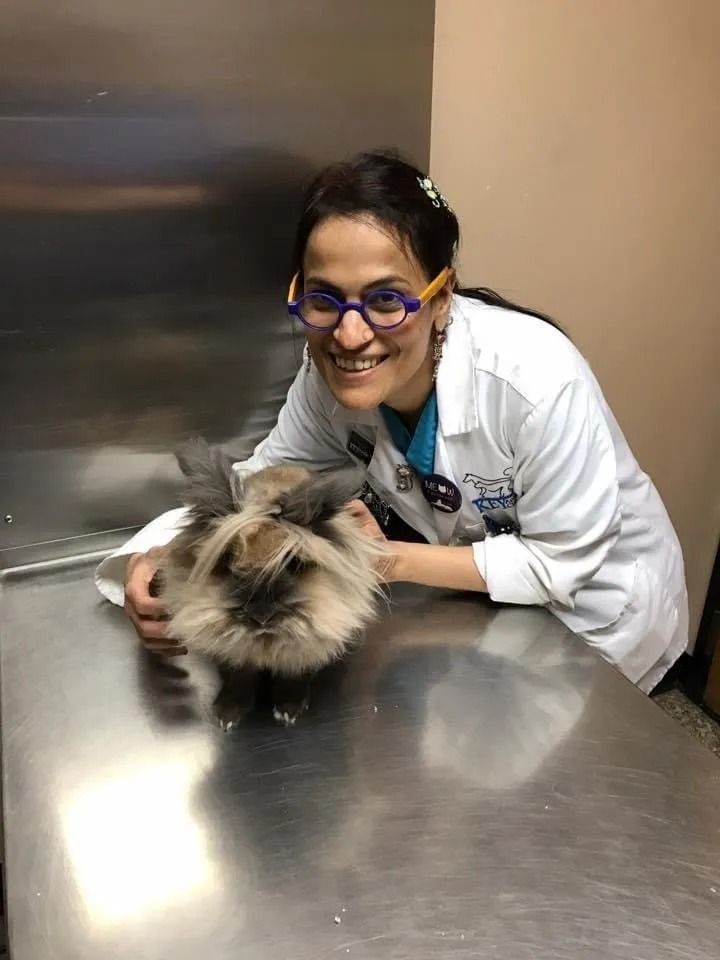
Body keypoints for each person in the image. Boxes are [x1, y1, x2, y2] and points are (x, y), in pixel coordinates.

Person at [95, 150, 688, 693]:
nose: (350, 336)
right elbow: (260, 479)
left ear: (442, 297)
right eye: (324, 300)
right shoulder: (324, 378)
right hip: (484, 618)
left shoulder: (535, 381)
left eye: (385, 300)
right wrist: (166, 552)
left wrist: (387, 560)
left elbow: (558, 564)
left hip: (597, 619)